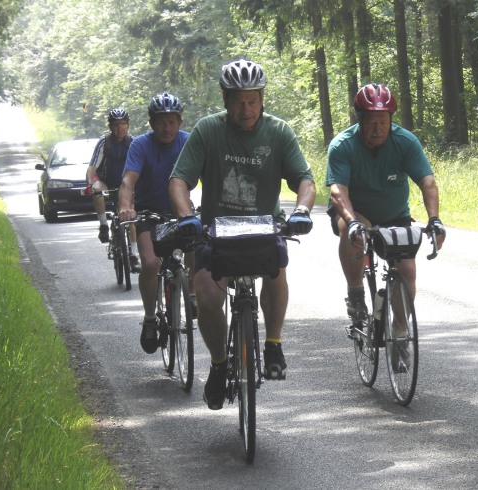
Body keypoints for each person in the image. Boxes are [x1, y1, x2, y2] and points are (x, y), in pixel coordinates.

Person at [169, 58, 315, 410]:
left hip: (265, 227)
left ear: (262, 99)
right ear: (225, 100)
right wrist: (187, 216)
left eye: (252, 100)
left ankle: (274, 343)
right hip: (217, 231)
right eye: (237, 101)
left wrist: (302, 210)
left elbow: (304, 180)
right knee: (205, 291)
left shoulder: (279, 132)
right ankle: (219, 365)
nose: (245, 108)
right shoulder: (208, 131)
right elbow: (179, 181)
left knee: (276, 268)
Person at [325, 83, 446, 324]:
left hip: (395, 216)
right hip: (356, 212)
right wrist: (350, 222)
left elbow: (428, 182)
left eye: (383, 121)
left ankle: (400, 334)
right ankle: (356, 293)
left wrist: (435, 220)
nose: (377, 128)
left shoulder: (405, 142)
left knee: (407, 269)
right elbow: (338, 191)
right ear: (360, 120)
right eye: (371, 121)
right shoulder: (343, 145)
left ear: (391, 119)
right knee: (353, 233)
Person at [118, 93, 193, 354]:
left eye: (172, 122)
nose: (167, 128)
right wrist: (127, 207)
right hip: (148, 214)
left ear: (180, 122)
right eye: (161, 122)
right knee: (151, 263)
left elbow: (208, 172)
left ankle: (192, 296)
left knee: (198, 246)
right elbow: (128, 181)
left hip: (180, 212)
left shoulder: (188, 142)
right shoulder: (140, 145)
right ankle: (150, 318)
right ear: (152, 123)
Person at [86, 108, 140, 271]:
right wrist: (90, 183)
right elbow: (92, 168)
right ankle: (103, 225)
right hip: (106, 181)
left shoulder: (133, 142)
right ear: (110, 127)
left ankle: (134, 254)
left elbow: (141, 167)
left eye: (123, 125)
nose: (120, 129)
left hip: (126, 184)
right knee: (97, 190)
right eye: (116, 125)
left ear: (128, 125)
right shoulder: (104, 143)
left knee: (130, 215)